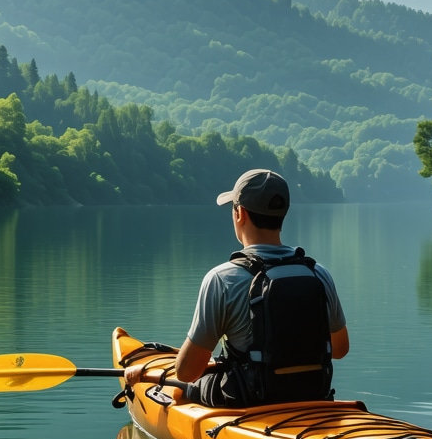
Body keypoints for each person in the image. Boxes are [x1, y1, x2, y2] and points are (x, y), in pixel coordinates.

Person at [125, 168, 348, 406]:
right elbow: (340, 349)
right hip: (313, 393)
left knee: (180, 388)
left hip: (248, 399)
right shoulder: (318, 273)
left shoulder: (222, 278)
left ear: (239, 213)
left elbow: (187, 372)